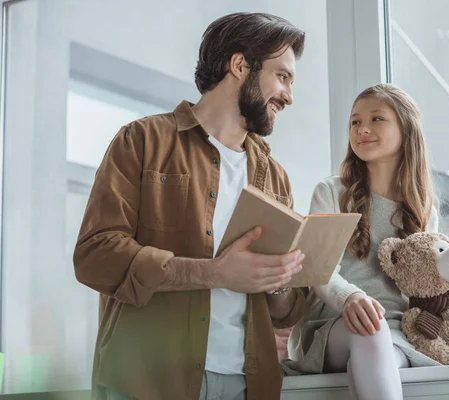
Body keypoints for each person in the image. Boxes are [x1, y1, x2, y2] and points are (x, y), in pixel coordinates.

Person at [73, 12, 307, 400]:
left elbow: (287, 311)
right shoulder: (142, 140)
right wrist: (215, 273)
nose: (289, 95)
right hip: (148, 382)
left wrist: (278, 279)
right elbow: (95, 256)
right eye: (282, 76)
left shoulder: (276, 177)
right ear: (239, 65)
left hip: (248, 385)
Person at [282, 84, 449, 400]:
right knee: (370, 333)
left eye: (377, 119)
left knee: (383, 358)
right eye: (354, 121)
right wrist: (351, 298)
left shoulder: (422, 210)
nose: (362, 129)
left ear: (406, 130)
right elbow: (316, 270)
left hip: (401, 333)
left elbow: (437, 287)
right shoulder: (332, 192)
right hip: (333, 325)